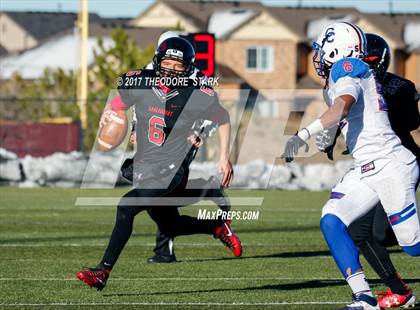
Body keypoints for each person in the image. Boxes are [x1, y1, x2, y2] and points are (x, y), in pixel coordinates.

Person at [76, 37, 242, 291]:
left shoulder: (197, 94)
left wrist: (223, 157)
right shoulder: (140, 82)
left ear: (187, 68)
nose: (172, 70)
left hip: (172, 169)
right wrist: (109, 118)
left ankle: (102, 272)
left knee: (126, 207)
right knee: (169, 224)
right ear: (157, 61)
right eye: (167, 63)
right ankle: (216, 227)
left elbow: (223, 117)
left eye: (178, 66)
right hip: (145, 165)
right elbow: (116, 104)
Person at [282, 22, 420, 310]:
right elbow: (341, 116)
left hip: (390, 164)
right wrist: (326, 137)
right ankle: (365, 297)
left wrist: (301, 134)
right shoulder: (344, 74)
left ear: (337, 48)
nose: (318, 56)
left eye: (322, 49)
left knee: (413, 246)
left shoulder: (346, 66)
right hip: (366, 167)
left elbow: (342, 107)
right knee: (332, 220)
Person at [123, 31, 229, 263]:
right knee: (156, 192)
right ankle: (207, 190)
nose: (168, 65)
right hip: (152, 142)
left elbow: (215, 113)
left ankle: (164, 250)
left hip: (182, 142)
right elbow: (140, 104)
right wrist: (134, 129)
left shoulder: (196, 78)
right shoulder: (151, 71)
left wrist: (197, 133)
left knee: (161, 191)